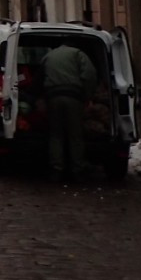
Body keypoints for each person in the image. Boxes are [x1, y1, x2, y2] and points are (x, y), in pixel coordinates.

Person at [40, 40, 101, 182]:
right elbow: (89, 74)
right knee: (75, 134)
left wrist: (38, 96)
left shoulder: (48, 56)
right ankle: (77, 169)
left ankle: (56, 169)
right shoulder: (78, 54)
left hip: (53, 97)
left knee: (56, 134)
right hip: (74, 98)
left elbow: (39, 79)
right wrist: (87, 95)